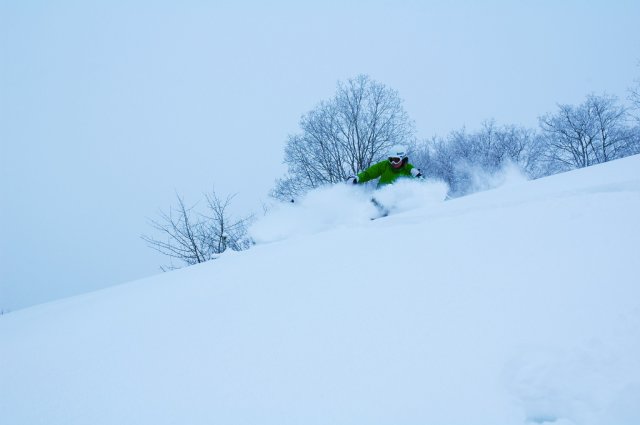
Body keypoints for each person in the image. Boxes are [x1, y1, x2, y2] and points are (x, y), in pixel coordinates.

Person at [346, 145, 423, 187]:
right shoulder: (385, 165)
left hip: (399, 204)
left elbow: (423, 187)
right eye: (391, 159)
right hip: (380, 199)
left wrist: (419, 177)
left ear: (403, 159)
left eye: (396, 160)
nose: (393, 163)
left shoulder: (410, 170)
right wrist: (357, 178)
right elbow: (368, 174)